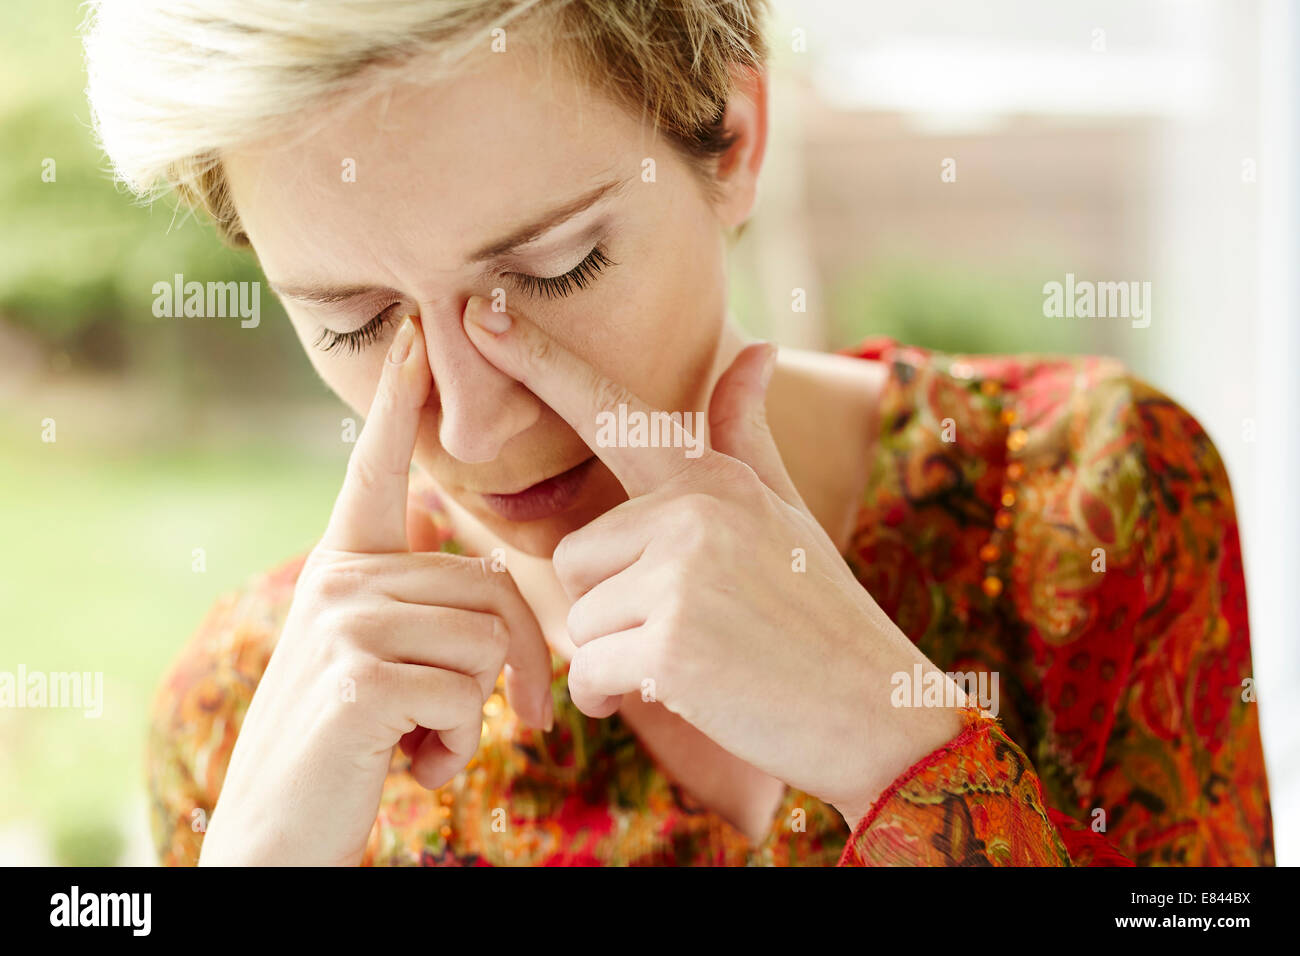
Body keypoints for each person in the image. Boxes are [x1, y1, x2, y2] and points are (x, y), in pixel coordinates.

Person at [83, 0, 1273, 865]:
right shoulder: (245, 711)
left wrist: (894, 743)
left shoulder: (1089, 501)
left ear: (736, 137)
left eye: (556, 270)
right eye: (355, 323)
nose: (481, 425)